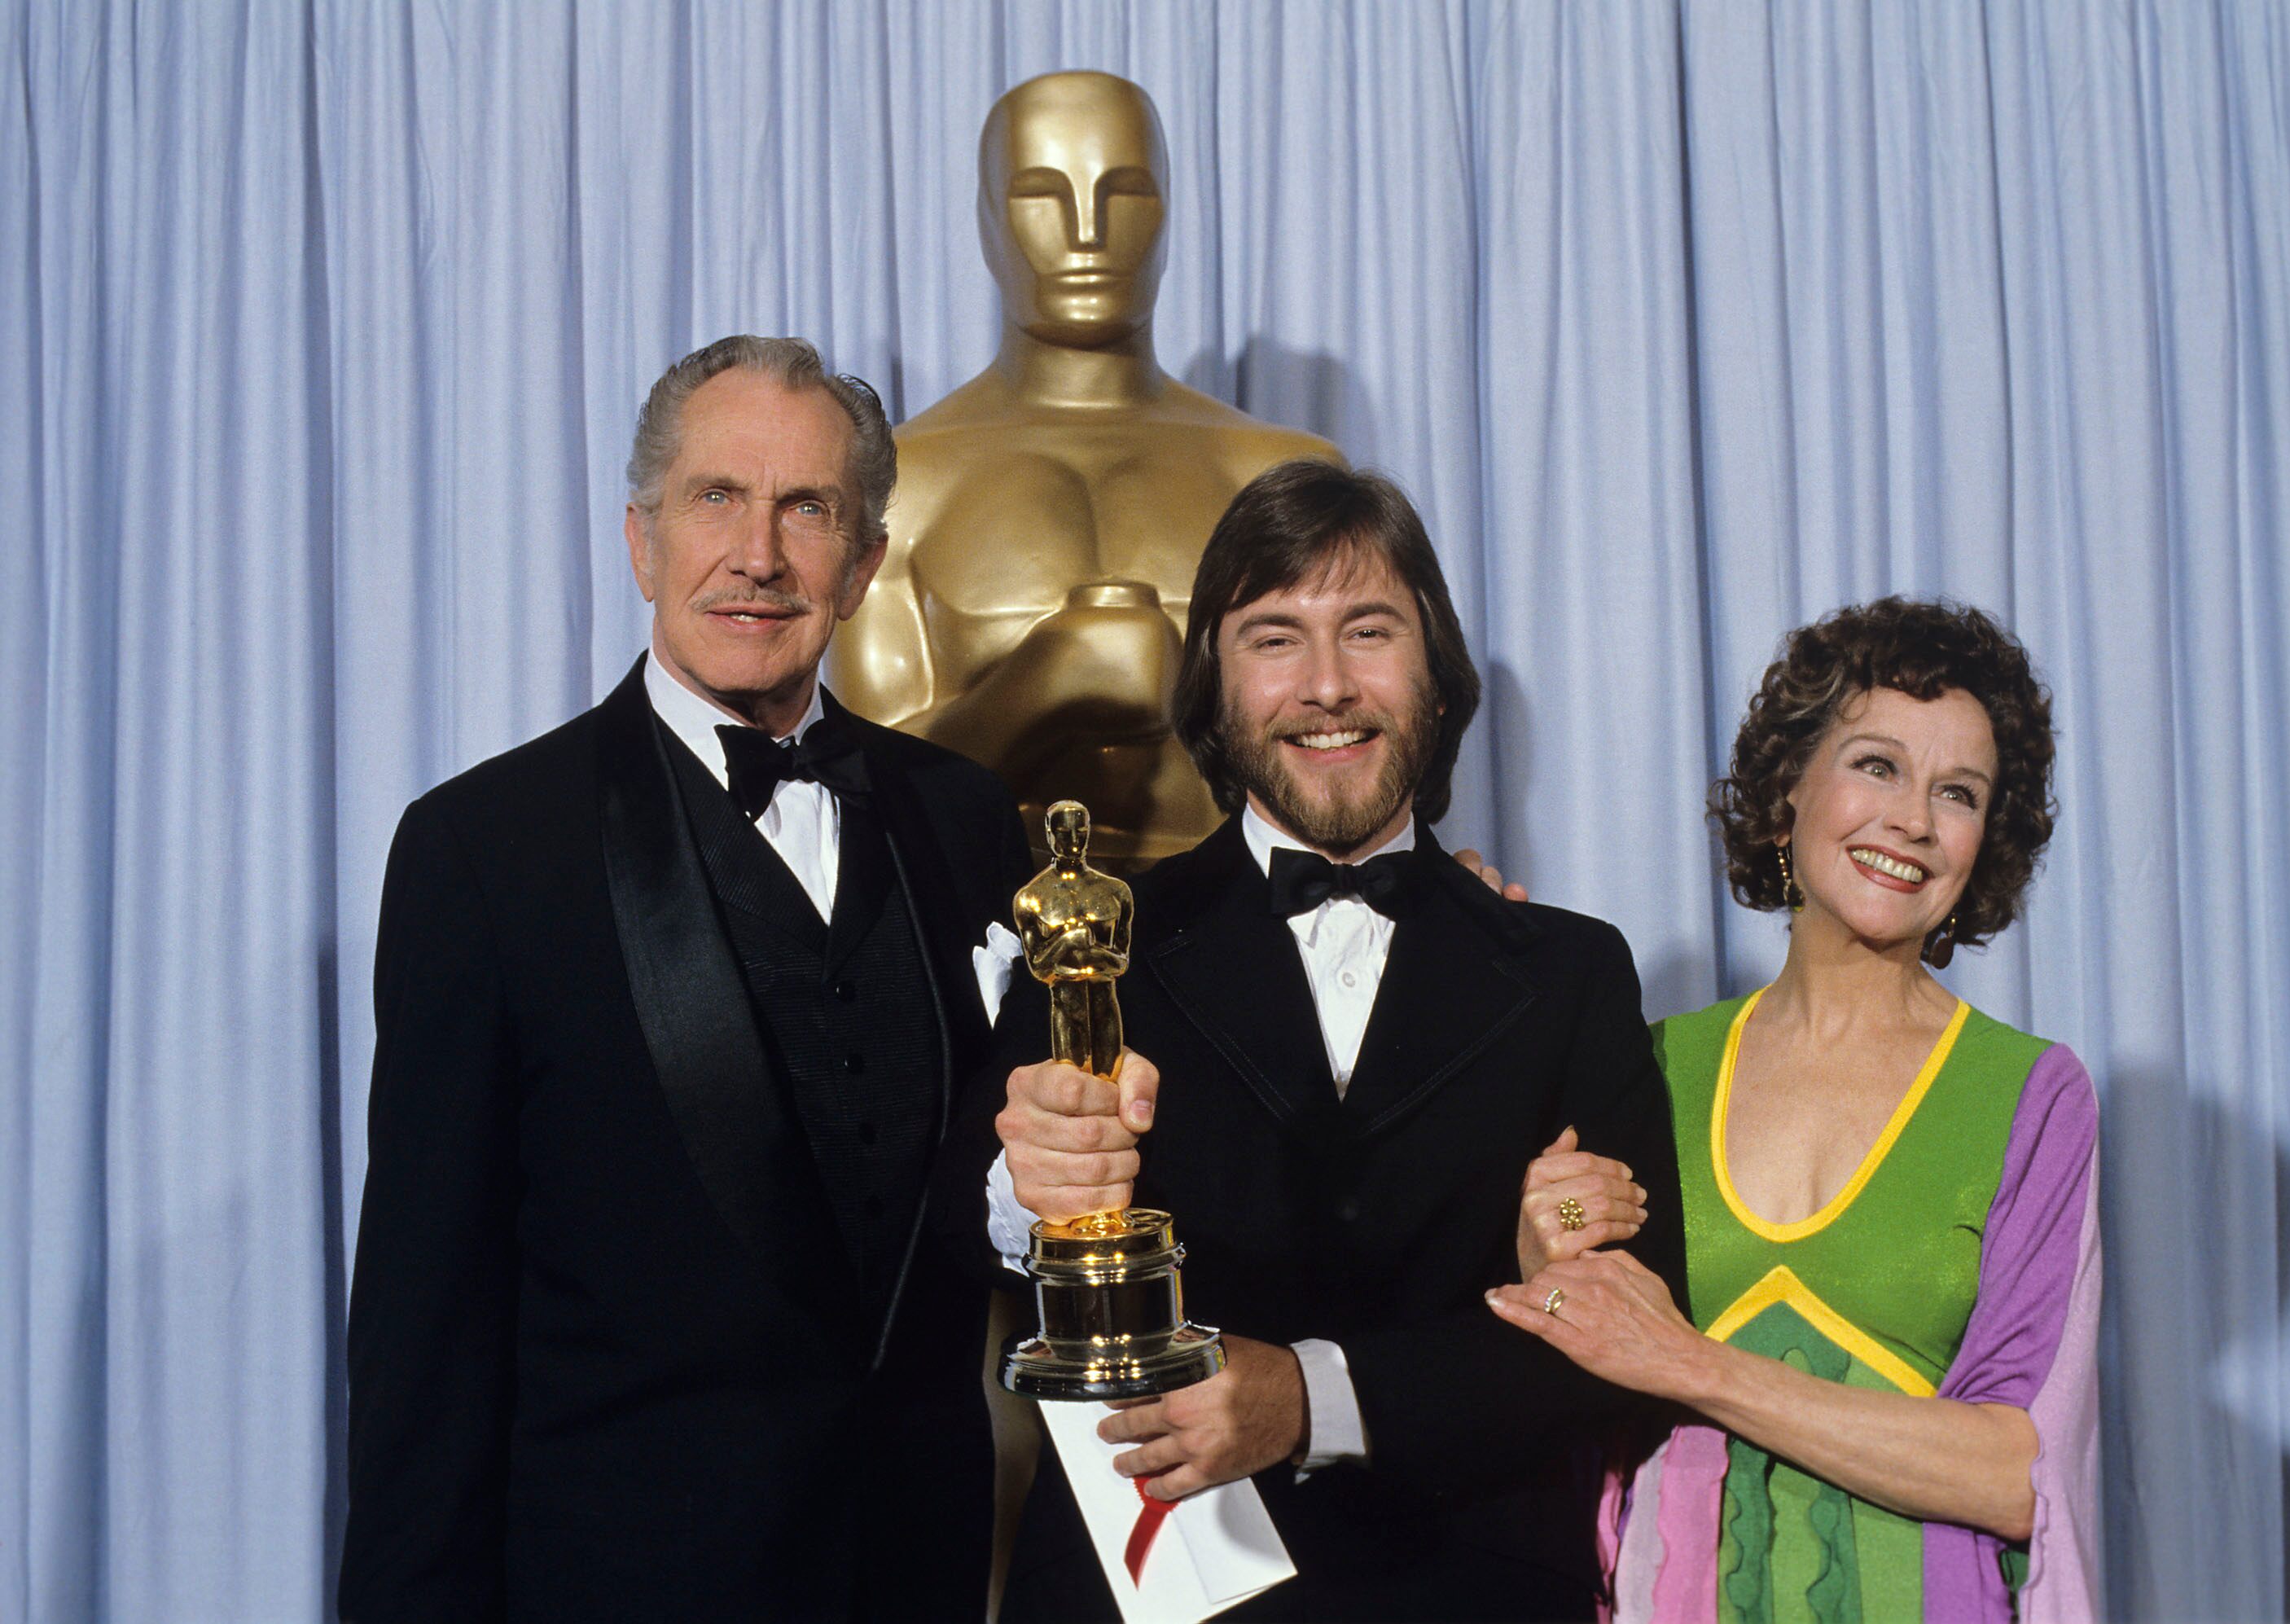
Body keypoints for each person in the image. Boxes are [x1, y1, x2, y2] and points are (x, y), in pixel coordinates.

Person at [339, 336, 1033, 1621]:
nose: (757, 555)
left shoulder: (967, 817)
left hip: (917, 1578)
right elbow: (424, 1331)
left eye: (806, 508)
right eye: (717, 497)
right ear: (641, 541)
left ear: (864, 563)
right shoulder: (484, 850)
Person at [955, 459, 1688, 1622]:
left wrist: (1311, 1397)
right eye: (1275, 638)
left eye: (1370, 631)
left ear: (1437, 679)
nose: (1329, 686)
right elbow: (958, 1242)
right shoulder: (1095, 939)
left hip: (1468, 1592)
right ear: (1215, 687)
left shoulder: (1569, 970)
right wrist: (1024, 1183)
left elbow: (1628, 1350)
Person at [1489, 599, 2101, 1623]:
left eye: (1958, 792)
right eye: (1877, 765)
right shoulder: (1651, 1064)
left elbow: (2018, 1475)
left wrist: (1694, 1364)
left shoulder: (2033, 1095)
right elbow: (1562, 1375)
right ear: (1785, 795)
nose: (1914, 819)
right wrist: (1535, 1259)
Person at [827, 69, 1339, 867]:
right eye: (1041, 194)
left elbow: (1343, 759)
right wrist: (1044, 686)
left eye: (1124, 193)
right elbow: (863, 795)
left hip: (1247, 925)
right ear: (986, 220)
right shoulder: (896, 481)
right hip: (980, 926)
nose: (1087, 232)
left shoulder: (1281, 475)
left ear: (1167, 214)